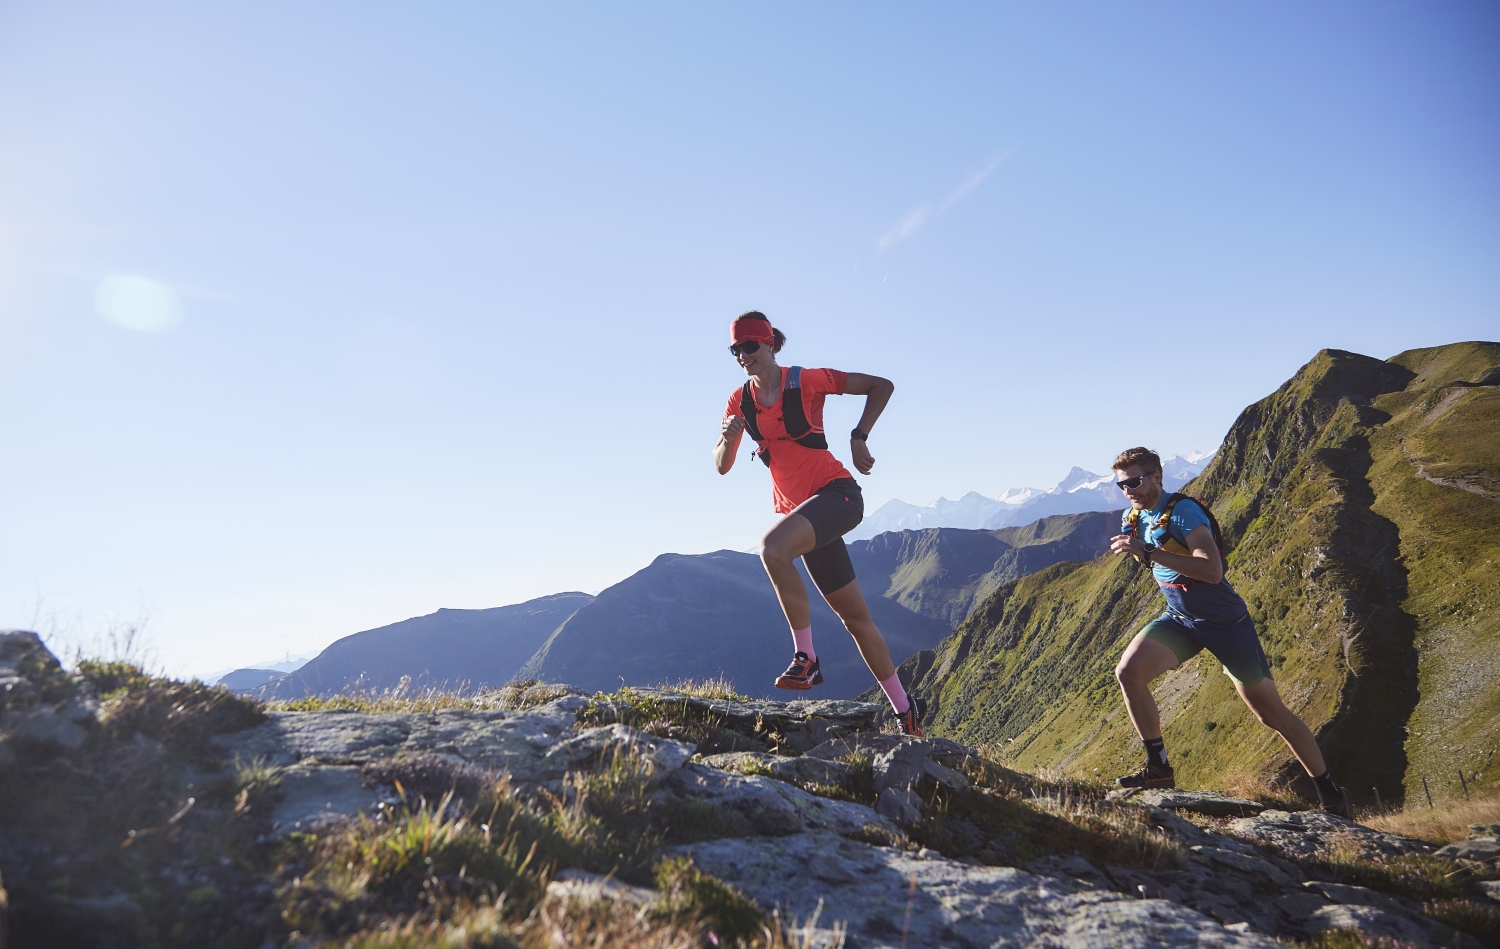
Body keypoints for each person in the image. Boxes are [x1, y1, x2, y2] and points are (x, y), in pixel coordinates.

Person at [1108, 446, 1352, 817]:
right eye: (1122, 485)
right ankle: (1158, 769)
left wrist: (1149, 553)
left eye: (1136, 481)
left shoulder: (1184, 512)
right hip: (1182, 619)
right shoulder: (1136, 516)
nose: (1130, 491)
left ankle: (1330, 793)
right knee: (1128, 672)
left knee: (1271, 716)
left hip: (1225, 624)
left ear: (1157, 475)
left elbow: (1212, 571)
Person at [713, 311, 925, 736]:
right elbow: (722, 466)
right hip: (806, 515)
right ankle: (907, 713)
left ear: (770, 343)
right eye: (736, 350)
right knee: (855, 621)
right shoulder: (739, 402)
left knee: (772, 549)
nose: (743, 356)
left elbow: (881, 386)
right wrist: (729, 436)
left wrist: (859, 435)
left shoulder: (806, 380)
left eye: (750, 347)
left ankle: (806, 659)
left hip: (838, 497)